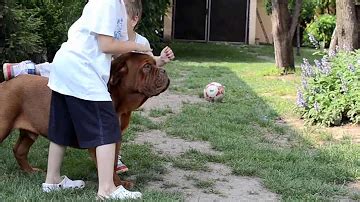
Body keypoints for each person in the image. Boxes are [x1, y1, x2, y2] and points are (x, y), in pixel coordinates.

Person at [40, 0, 151, 200]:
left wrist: (148, 55)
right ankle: (107, 188)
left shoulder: (116, 6)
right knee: (107, 127)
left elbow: (118, 49)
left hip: (66, 68)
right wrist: (138, 45)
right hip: (82, 70)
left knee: (62, 127)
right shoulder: (107, 2)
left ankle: (52, 180)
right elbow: (106, 45)